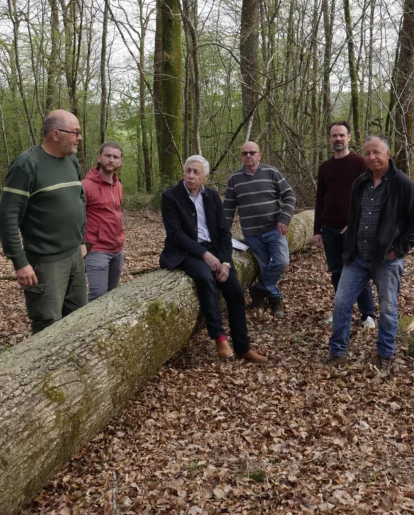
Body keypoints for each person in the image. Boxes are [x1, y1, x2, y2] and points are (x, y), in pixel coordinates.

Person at [326, 135, 414, 372]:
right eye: (367, 153)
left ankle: (385, 353)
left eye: (376, 152)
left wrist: (397, 251)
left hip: (386, 261)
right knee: (341, 304)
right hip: (357, 258)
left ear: (388, 153)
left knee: (388, 310)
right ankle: (338, 352)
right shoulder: (360, 182)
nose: (371, 157)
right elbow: (355, 214)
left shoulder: (402, 183)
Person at [159, 156, 268, 363]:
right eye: (188, 171)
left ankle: (244, 347)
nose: (190, 176)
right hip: (186, 251)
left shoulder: (212, 196)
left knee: (235, 290)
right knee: (205, 278)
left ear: (206, 177)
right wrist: (204, 254)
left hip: (215, 249)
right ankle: (219, 337)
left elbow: (223, 231)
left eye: (196, 172)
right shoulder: (171, 197)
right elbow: (175, 234)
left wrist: (225, 261)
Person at [0, 110, 88, 334]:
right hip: (46, 262)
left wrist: (81, 240)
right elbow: (6, 216)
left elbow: (79, 200)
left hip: (75, 255)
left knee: (78, 319)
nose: (80, 137)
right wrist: (20, 262)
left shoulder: (71, 161)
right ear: (56, 134)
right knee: (48, 325)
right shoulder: (26, 165)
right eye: (75, 132)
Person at [314, 121, 376, 331]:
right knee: (337, 272)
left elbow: (370, 196)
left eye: (342, 135)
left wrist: (358, 223)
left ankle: (368, 315)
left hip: (354, 230)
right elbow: (320, 198)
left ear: (349, 137)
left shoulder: (360, 163)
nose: (338, 139)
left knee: (358, 271)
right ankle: (342, 311)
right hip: (329, 228)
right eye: (334, 136)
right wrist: (316, 230)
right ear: (329, 139)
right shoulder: (325, 167)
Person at [222, 142, 296, 318]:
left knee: (281, 261)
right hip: (252, 233)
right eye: (245, 153)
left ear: (259, 155)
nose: (249, 156)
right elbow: (228, 209)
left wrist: (284, 218)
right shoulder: (235, 179)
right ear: (241, 156)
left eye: (252, 153)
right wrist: (223, 232)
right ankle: (274, 300)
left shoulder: (271, 172)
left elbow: (290, 196)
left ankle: (259, 290)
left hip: (274, 229)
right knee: (265, 267)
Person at [83, 141, 125, 301]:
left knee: (111, 295)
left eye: (115, 157)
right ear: (99, 158)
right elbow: (76, 219)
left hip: (117, 249)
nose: (111, 160)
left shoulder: (118, 185)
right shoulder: (85, 186)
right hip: (96, 249)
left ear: (120, 162)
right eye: (108, 155)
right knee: (97, 296)